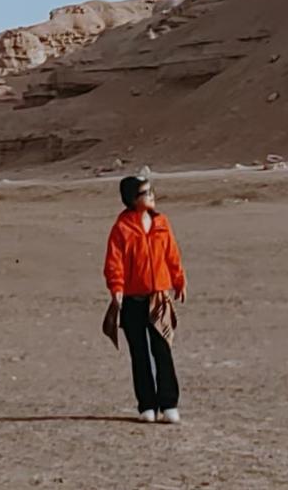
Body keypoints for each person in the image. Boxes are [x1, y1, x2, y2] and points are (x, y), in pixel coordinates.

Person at [103, 175, 187, 424]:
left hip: (158, 298)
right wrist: (116, 288)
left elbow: (172, 254)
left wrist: (179, 281)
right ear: (132, 199)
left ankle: (169, 404)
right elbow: (113, 262)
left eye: (151, 191)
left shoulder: (162, 223)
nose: (151, 195)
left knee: (162, 351)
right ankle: (147, 406)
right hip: (132, 301)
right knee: (140, 354)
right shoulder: (121, 228)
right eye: (145, 192)